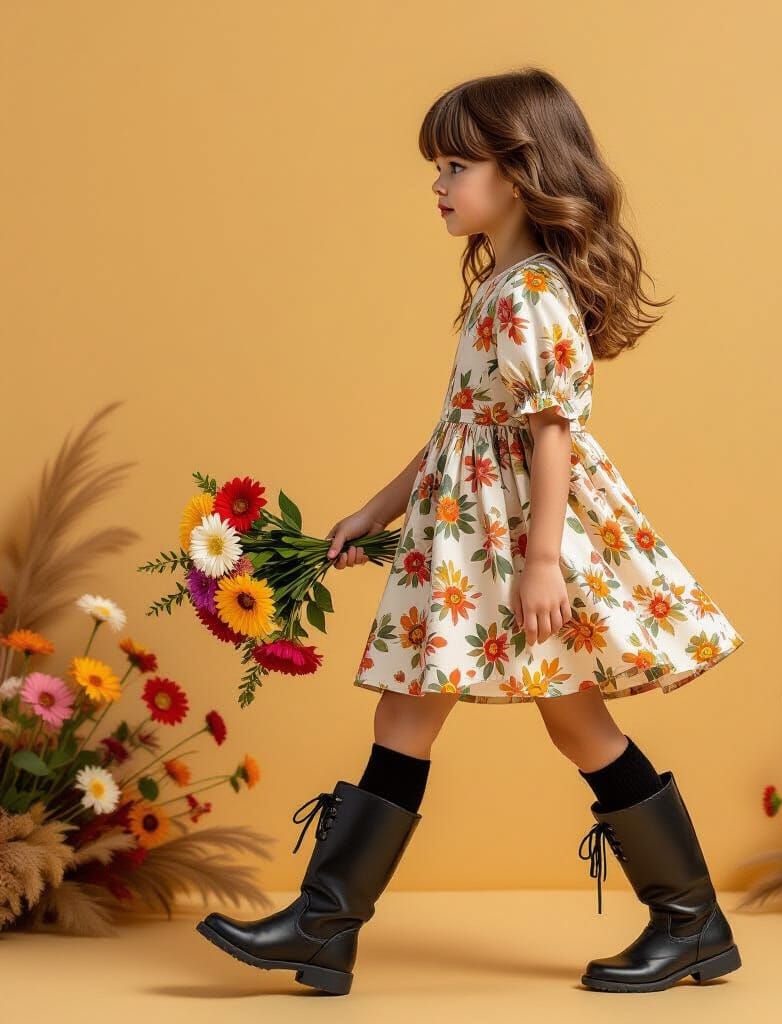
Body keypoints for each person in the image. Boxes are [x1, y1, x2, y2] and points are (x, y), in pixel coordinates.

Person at [197, 66, 745, 996]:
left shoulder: (531, 292)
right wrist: (379, 508)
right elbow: (465, 428)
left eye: (457, 164)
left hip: (514, 544)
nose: (439, 183)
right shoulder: (502, 282)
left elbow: (549, 431)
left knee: (570, 725)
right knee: (434, 714)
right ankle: (326, 928)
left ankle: (688, 921)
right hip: (468, 538)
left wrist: (540, 564)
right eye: (438, 166)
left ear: (522, 172)